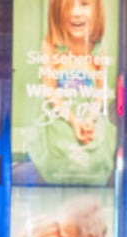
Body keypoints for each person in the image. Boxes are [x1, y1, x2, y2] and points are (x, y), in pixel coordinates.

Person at [25, 0, 116, 185]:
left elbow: (101, 90)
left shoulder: (98, 47)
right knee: (61, 151)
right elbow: (49, 90)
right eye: (68, 6)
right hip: (61, 122)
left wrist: (90, 119)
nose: (75, 13)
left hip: (90, 120)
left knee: (95, 152)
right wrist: (74, 121)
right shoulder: (51, 45)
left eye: (84, 4)